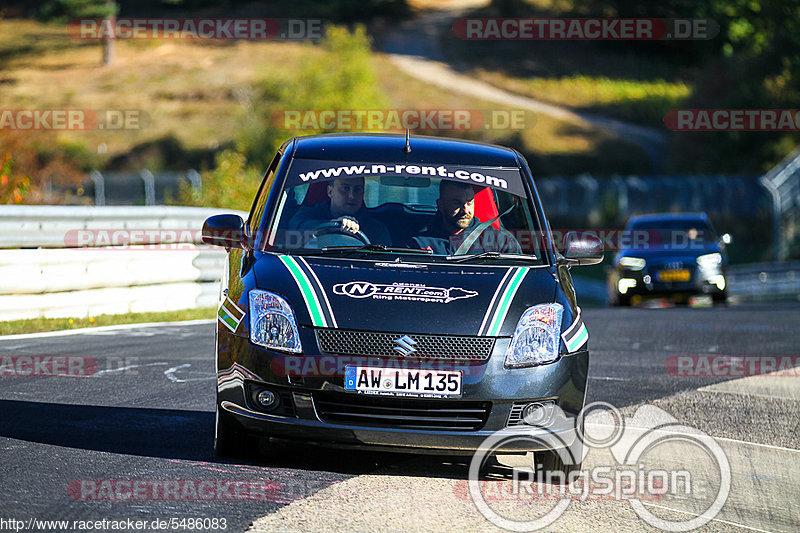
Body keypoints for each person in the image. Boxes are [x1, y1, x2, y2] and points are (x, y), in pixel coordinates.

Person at [410, 180, 521, 255]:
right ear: (440, 205)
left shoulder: (500, 242)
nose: (465, 211)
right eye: (456, 203)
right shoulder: (419, 243)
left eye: (469, 203)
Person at [289, 177, 391, 245]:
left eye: (357, 189)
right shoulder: (306, 216)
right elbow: (291, 231)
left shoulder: (376, 229)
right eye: (345, 188)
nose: (352, 196)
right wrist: (335, 224)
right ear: (330, 191)